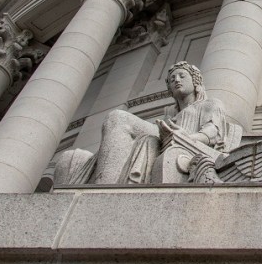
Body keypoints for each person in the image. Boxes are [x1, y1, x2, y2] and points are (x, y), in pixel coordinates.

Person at [58, 62, 226, 185]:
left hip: (184, 145)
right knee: (71, 157)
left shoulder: (209, 104)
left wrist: (186, 135)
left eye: (182, 76)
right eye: (172, 78)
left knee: (119, 117)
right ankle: (103, 183)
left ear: (195, 81)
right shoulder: (170, 112)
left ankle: (103, 187)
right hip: (164, 140)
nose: (176, 80)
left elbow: (212, 134)